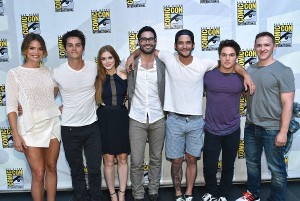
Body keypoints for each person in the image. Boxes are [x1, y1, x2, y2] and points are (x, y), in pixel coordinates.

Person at [127, 29, 254, 201]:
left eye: (188, 43)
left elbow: (229, 63)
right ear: (175, 45)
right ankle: (178, 193)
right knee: (177, 161)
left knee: (192, 159)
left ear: (193, 45)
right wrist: (131, 55)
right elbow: (145, 49)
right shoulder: (168, 57)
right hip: (173, 120)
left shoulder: (204, 63)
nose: (184, 46)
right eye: (181, 43)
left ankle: (189, 193)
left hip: (195, 121)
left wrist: (246, 74)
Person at [236, 32, 295, 201]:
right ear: (255, 47)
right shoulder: (251, 69)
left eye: (266, 45)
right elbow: (248, 95)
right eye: (259, 45)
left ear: (274, 47)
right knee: (252, 164)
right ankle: (253, 194)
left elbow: (288, 103)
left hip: (273, 129)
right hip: (251, 126)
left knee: (276, 169)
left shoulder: (283, 70)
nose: (262, 49)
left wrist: (283, 131)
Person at [6, 33, 61, 201]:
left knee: (51, 167)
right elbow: (11, 107)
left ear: (44, 52)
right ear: (24, 50)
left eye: (39, 49)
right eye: (31, 48)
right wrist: (16, 135)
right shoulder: (14, 74)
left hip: (52, 123)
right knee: (38, 173)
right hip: (29, 127)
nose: (36, 52)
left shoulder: (50, 72)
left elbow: (58, 91)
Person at [51, 29, 102, 201]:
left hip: (92, 126)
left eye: (77, 45)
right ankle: (81, 198)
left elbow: (111, 75)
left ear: (83, 48)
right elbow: (47, 97)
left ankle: (96, 197)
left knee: (95, 168)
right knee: (76, 169)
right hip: (69, 128)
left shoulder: (94, 67)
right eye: (70, 45)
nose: (74, 49)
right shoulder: (57, 72)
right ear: (65, 48)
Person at [202, 40, 244, 201]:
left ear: (236, 57)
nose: (227, 59)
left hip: (232, 129)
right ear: (219, 56)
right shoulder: (208, 75)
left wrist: (245, 74)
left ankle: (224, 194)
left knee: (228, 165)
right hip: (211, 129)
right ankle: (211, 192)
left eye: (231, 55)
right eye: (224, 55)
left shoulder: (241, 78)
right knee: (210, 166)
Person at [127, 26, 166, 201]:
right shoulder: (130, 64)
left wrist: (132, 53)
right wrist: (132, 55)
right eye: (144, 39)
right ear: (139, 42)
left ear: (155, 41)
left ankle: (153, 191)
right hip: (136, 117)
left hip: (158, 116)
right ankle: (137, 194)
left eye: (151, 39)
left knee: (156, 158)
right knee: (136, 161)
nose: (147, 42)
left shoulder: (163, 62)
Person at [95, 45, 130, 201]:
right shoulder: (97, 78)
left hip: (121, 117)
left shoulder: (124, 74)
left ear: (115, 58)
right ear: (100, 61)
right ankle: (112, 195)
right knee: (108, 160)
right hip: (105, 119)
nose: (107, 61)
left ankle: (122, 194)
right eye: (103, 59)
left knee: (122, 158)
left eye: (110, 57)